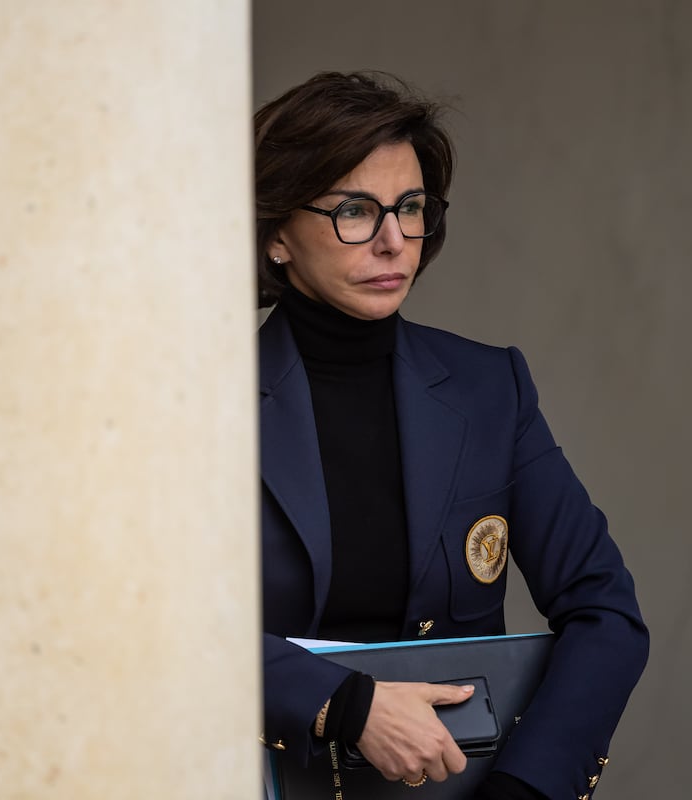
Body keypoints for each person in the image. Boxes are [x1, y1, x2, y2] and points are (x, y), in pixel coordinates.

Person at [256, 71, 649, 800]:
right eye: (354, 211)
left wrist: (525, 789)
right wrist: (346, 706)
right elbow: (153, 623)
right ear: (277, 232)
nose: (393, 241)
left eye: (410, 208)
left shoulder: (490, 388)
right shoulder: (200, 406)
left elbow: (605, 610)